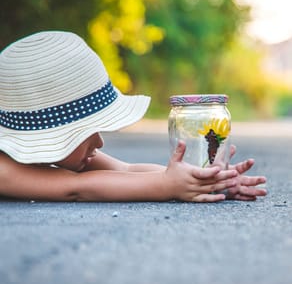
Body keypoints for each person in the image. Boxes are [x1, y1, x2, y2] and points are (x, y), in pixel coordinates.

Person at [0, 31, 266, 202]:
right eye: (86, 131)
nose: (100, 143)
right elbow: (77, 188)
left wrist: (202, 180)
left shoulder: (74, 154)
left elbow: (125, 170)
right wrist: (166, 186)